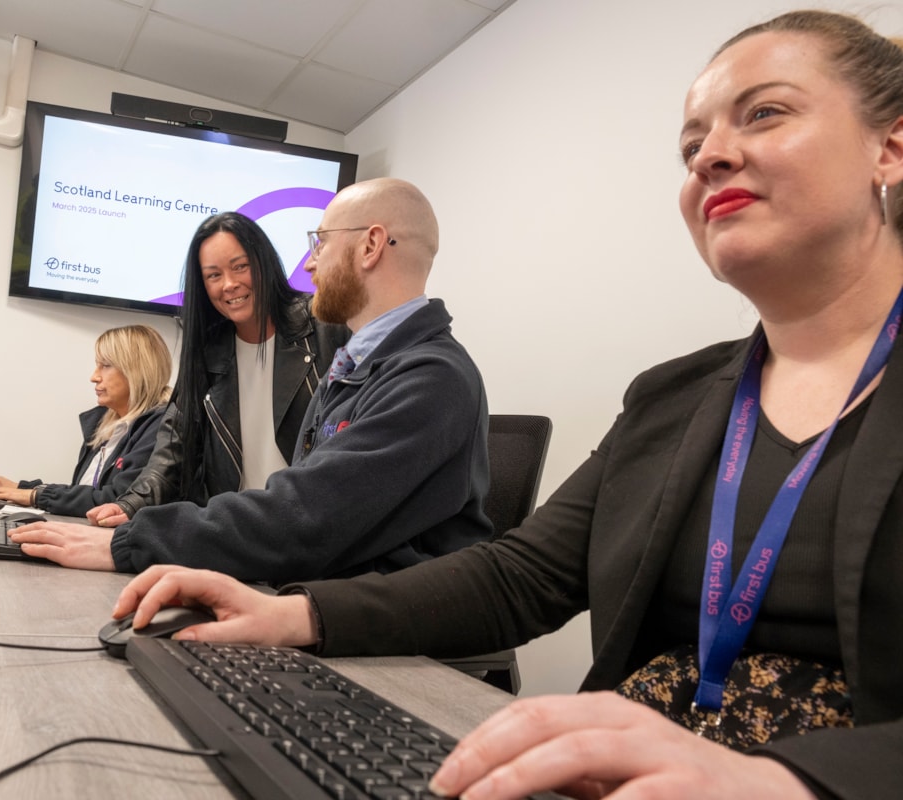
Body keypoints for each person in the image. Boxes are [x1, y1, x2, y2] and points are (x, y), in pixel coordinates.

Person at [109, 11, 903, 800]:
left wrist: (789, 781)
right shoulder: (674, 398)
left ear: (890, 146)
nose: (711, 158)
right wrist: (294, 614)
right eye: (691, 148)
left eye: (765, 112)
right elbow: (517, 579)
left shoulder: (432, 374)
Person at [11, 178, 493, 582]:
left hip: (361, 605)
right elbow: (184, 450)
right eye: (213, 275)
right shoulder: (359, 366)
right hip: (294, 570)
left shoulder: (427, 376)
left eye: (319, 244)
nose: (310, 264)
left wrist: (134, 543)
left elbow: (310, 514)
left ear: (370, 245)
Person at [89, 211, 348, 529]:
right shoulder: (208, 349)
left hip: (310, 528)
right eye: (213, 275)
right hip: (233, 530)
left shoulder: (322, 325)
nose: (229, 284)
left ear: (263, 262)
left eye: (240, 267)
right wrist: (131, 504)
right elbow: (174, 444)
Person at [0, 325, 172, 517]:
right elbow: (85, 493)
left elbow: (118, 501)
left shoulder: (160, 427)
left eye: (106, 366)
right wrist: (23, 489)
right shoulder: (104, 426)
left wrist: (35, 496)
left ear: (137, 371)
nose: (94, 377)